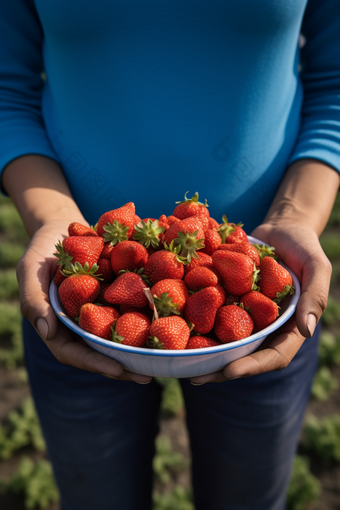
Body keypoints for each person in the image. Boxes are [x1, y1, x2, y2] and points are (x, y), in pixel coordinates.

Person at [0, 1, 339, 509]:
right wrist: (53, 221)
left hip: (263, 300)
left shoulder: (254, 291)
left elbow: (335, 79)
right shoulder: (90, 295)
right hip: (77, 301)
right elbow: (6, 87)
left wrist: (295, 217)